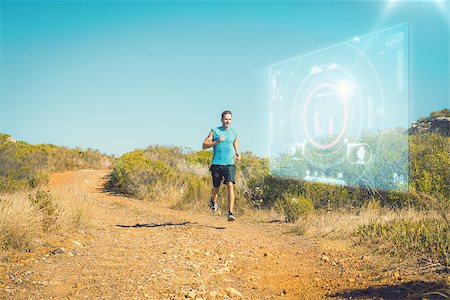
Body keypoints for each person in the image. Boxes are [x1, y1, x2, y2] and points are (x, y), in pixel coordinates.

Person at [202, 110, 240, 221]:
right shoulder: (215, 131)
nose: (227, 121)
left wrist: (237, 152)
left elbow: (235, 141)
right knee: (216, 188)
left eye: (229, 119)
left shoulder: (233, 132)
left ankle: (230, 212)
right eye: (225, 119)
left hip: (229, 164)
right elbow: (204, 145)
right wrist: (216, 142)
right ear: (221, 120)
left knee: (230, 185)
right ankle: (213, 199)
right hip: (217, 164)